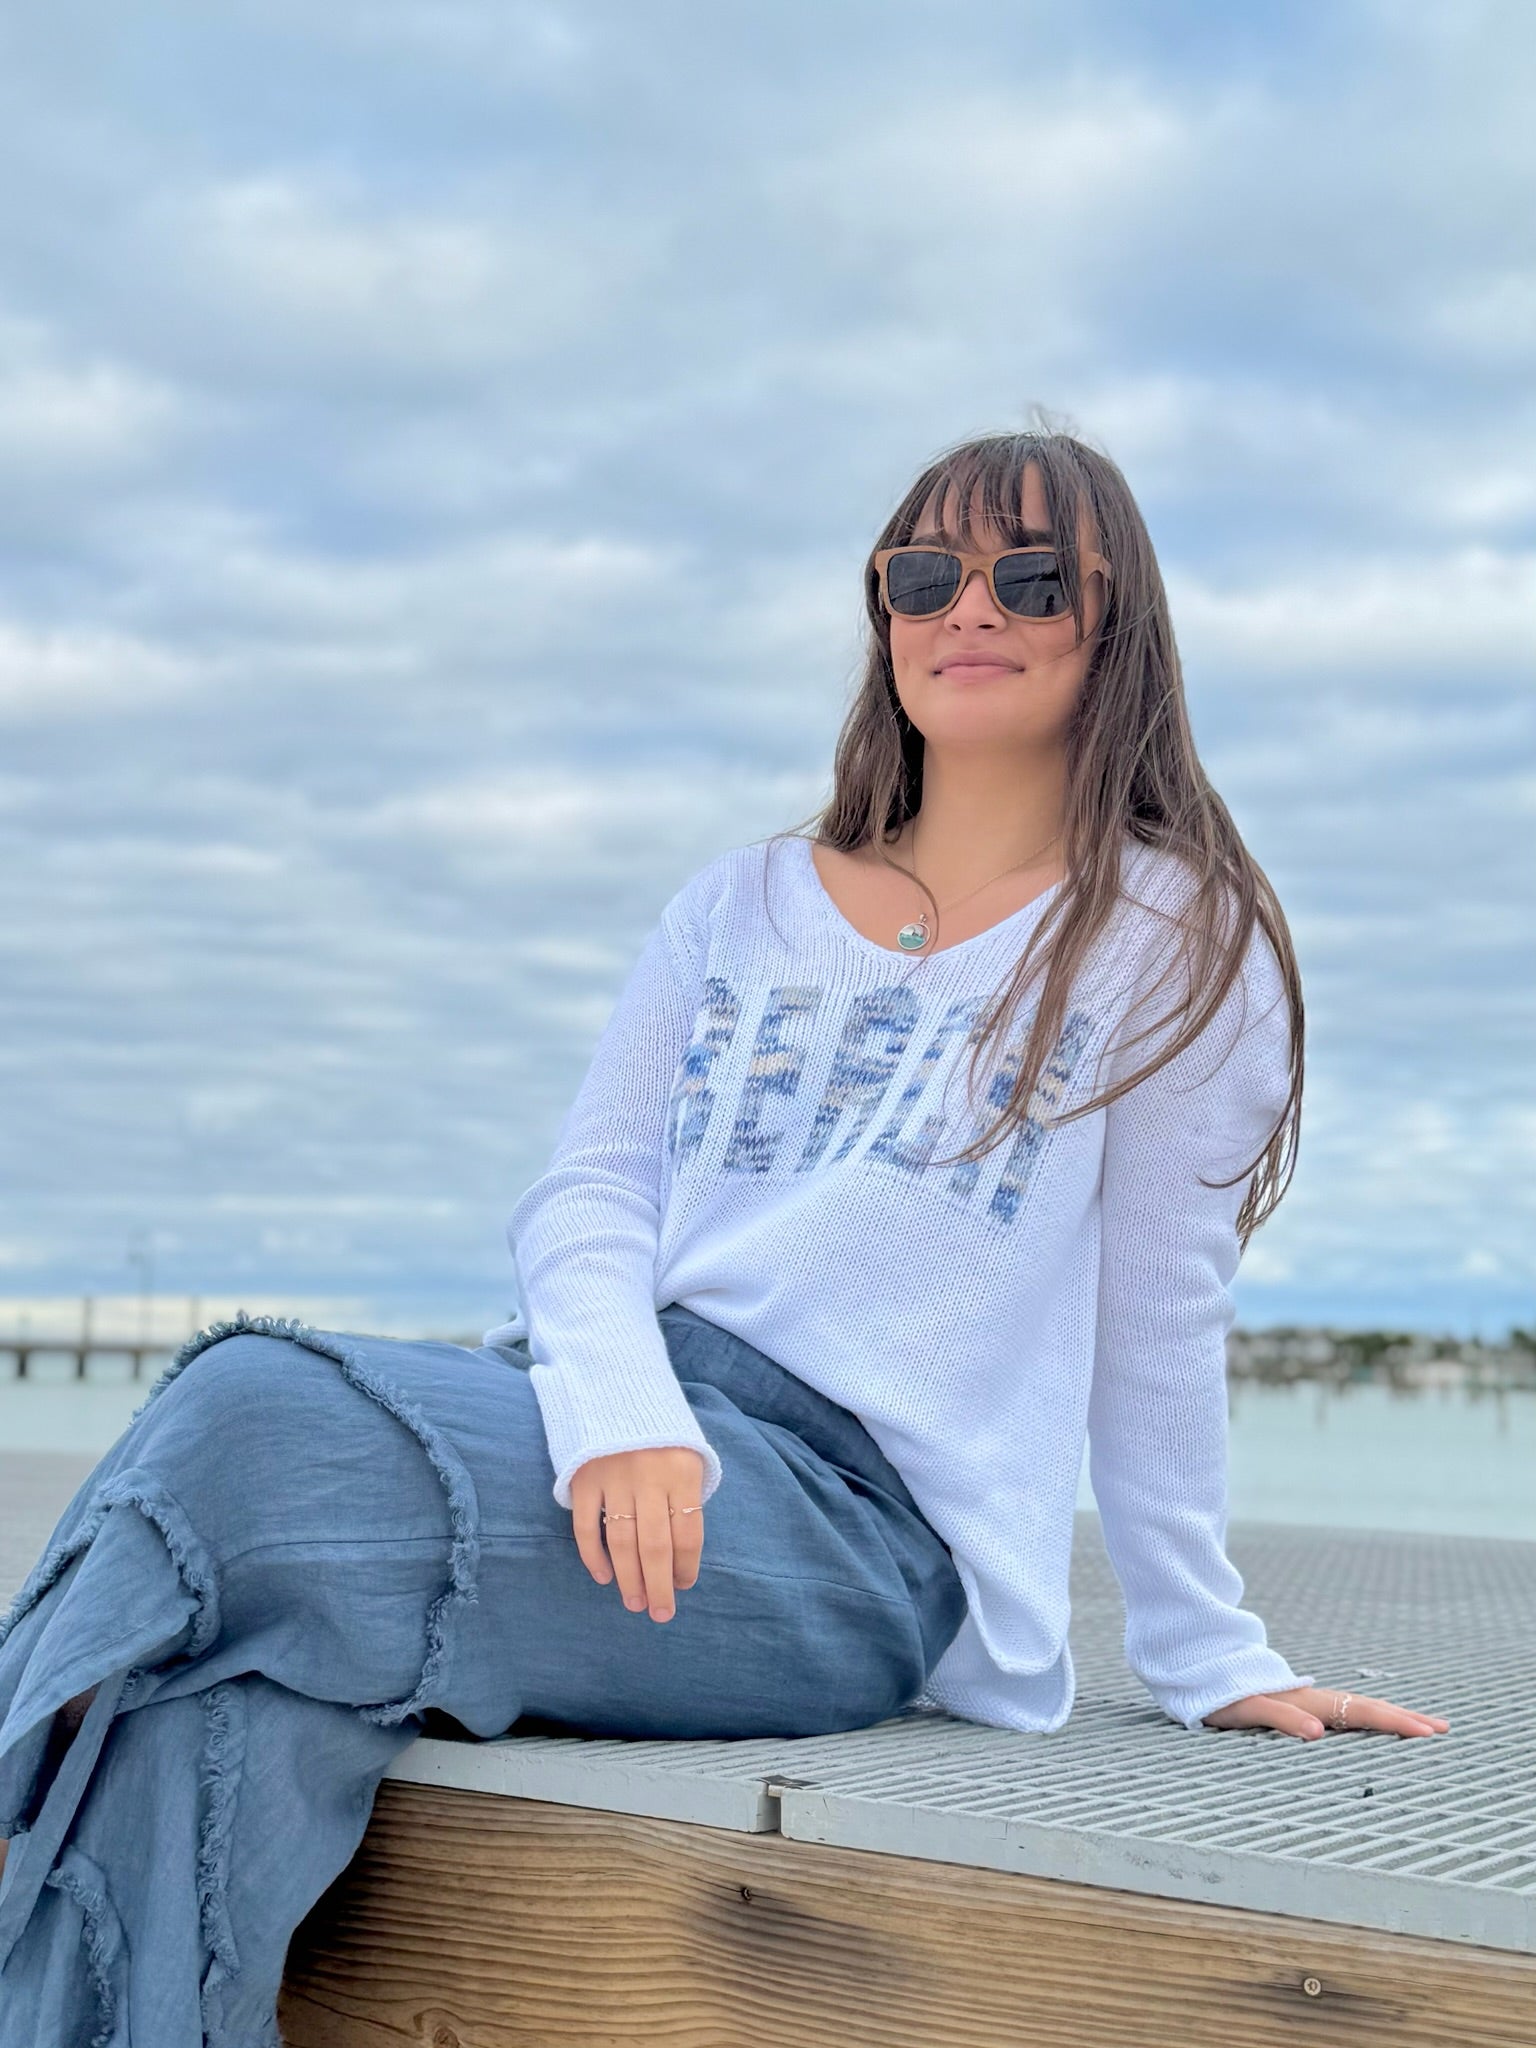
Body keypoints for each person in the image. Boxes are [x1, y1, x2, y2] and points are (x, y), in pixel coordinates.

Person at [0, 426, 1448, 2043]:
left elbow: (1161, 1317)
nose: (969, 608)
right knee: (227, 1709)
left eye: (1029, 574)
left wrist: (1205, 1649)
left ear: (1119, 622)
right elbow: (590, 1196)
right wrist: (620, 1406)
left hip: (849, 1530)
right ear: (883, 616)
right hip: (621, 1430)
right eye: (924, 576)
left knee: (246, 1411)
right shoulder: (739, 902)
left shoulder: (1178, 937)